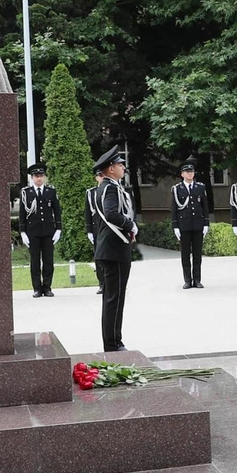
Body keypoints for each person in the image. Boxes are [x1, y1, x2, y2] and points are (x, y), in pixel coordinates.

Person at [93, 146, 137, 352]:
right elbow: (111, 213)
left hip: (112, 249)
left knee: (114, 298)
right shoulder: (110, 188)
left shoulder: (108, 186)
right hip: (113, 250)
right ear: (111, 169)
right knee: (114, 299)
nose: (123, 167)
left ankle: (115, 341)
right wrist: (131, 225)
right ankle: (112, 344)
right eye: (120, 164)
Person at [19, 163, 62, 298]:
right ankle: (37, 288)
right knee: (35, 262)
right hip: (33, 233)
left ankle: (47, 287)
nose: (39, 178)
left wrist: (58, 229)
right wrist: (23, 232)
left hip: (48, 232)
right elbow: (22, 213)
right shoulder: (26, 193)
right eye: (36, 176)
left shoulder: (51, 191)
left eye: (41, 176)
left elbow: (57, 211)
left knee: (48, 261)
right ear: (32, 178)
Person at [170, 160, 210, 288]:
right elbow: (174, 208)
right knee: (185, 254)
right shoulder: (177, 189)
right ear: (182, 174)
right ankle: (187, 280)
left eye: (191, 171)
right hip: (184, 225)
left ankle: (197, 279)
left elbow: (205, 207)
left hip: (198, 224)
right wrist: (175, 226)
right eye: (187, 172)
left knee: (197, 254)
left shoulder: (200, 187)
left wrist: (206, 223)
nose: (190, 174)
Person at [84, 169, 106, 295]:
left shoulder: (110, 190)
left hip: (110, 229)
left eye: (103, 175)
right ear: (96, 178)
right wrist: (89, 231)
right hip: (97, 229)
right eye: (99, 176)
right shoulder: (91, 193)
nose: (102, 177)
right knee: (99, 258)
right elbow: (88, 212)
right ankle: (102, 283)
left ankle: (110, 283)